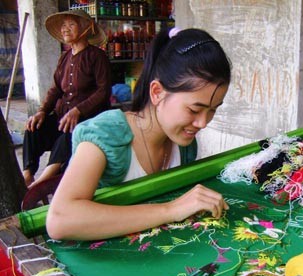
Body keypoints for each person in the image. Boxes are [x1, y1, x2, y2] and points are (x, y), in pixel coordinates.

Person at [46, 27, 232, 241]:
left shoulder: (184, 145)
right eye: (194, 109)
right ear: (157, 92)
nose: (203, 122)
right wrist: (170, 210)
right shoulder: (107, 136)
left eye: (213, 109)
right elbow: (60, 220)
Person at [22, 9, 111, 188]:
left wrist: (78, 110)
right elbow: (55, 89)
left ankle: (43, 181)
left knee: (70, 132)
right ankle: (27, 176)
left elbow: (103, 91)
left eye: (71, 24)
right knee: (33, 128)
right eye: (63, 25)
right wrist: (41, 111)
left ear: (85, 28)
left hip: (88, 119)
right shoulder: (65, 58)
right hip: (63, 116)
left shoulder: (97, 57)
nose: (65, 29)